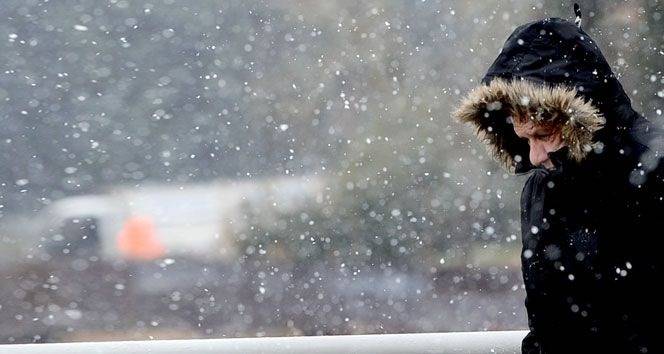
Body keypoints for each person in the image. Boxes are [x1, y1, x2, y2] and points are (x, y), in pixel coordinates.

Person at [452, 8, 663, 354]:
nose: (534, 156)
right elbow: (548, 327)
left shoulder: (653, 176)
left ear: (579, 116)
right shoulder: (542, 191)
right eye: (524, 138)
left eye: (544, 135)